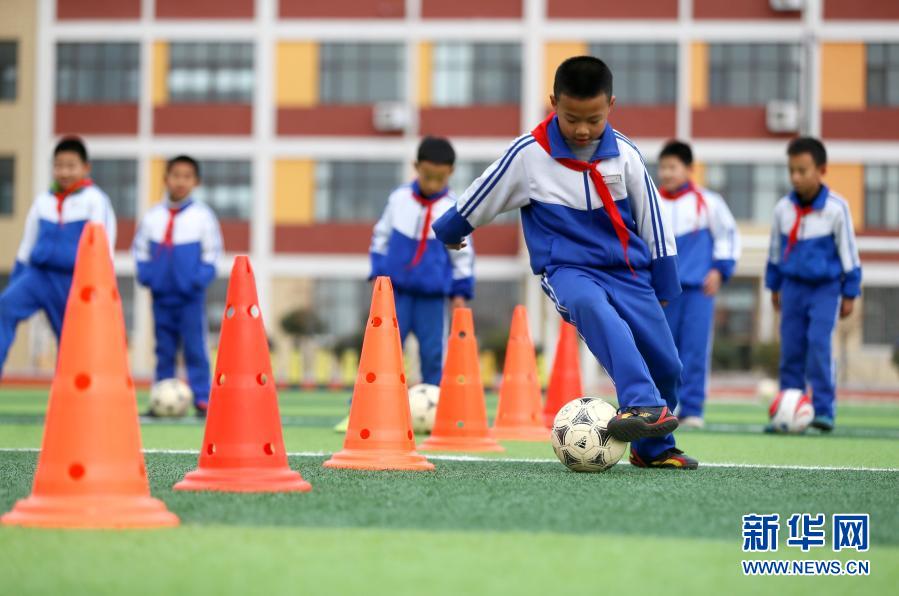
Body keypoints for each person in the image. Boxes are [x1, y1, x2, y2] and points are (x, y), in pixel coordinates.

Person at [433, 56, 697, 469]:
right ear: (553, 102)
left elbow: (653, 221)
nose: (581, 129)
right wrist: (451, 229)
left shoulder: (625, 154)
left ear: (611, 104)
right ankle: (643, 403)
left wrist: (664, 283)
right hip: (569, 270)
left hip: (630, 272)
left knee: (667, 363)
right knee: (595, 310)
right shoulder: (529, 154)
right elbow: (484, 192)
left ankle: (652, 450)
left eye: (593, 118)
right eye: (571, 117)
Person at [765, 137, 861, 432]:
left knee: (819, 346)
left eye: (802, 170)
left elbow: (849, 252)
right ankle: (789, 409)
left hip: (825, 289)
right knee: (791, 349)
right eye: (791, 170)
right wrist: (775, 286)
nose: (795, 177)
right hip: (792, 288)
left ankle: (823, 409)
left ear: (821, 170)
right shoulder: (783, 208)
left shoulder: (836, 208)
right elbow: (775, 252)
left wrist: (850, 292)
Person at [0, 136, 116, 376]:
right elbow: (27, 245)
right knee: (5, 306)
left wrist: (96, 286)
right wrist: (18, 280)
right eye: (59, 165)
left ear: (85, 168)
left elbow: (103, 247)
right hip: (37, 276)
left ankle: (77, 394)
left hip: (73, 280)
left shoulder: (95, 200)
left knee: (72, 340)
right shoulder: (43, 201)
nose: (64, 172)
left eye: (71, 165)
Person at [370, 136, 475, 384]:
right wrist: (378, 273)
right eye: (427, 176)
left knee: (433, 355)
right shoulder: (399, 199)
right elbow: (380, 237)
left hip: (432, 298)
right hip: (395, 295)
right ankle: (364, 410)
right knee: (382, 351)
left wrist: (460, 293)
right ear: (416, 167)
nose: (432, 183)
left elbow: (463, 255)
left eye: (440, 178)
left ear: (451, 172)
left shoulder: (453, 209)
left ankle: (434, 406)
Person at [656, 140, 741, 429]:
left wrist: (720, 270)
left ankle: (692, 409)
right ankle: (661, 407)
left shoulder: (710, 202)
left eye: (673, 167)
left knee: (694, 350)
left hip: (697, 292)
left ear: (689, 169)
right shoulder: (650, 201)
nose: (666, 173)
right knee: (660, 350)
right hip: (662, 293)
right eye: (663, 167)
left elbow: (728, 237)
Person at [133, 155, 222, 417]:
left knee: (195, 347)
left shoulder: (203, 217)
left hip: (191, 297)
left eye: (187, 176)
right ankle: (160, 399)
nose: (180, 181)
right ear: (165, 179)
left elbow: (212, 255)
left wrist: (196, 281)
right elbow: (140, 252)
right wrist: (149, 277)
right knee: (163, 349)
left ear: (196, 181)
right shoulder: (152, 217)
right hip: (161, 296)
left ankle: (202, 399)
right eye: (175, 175)